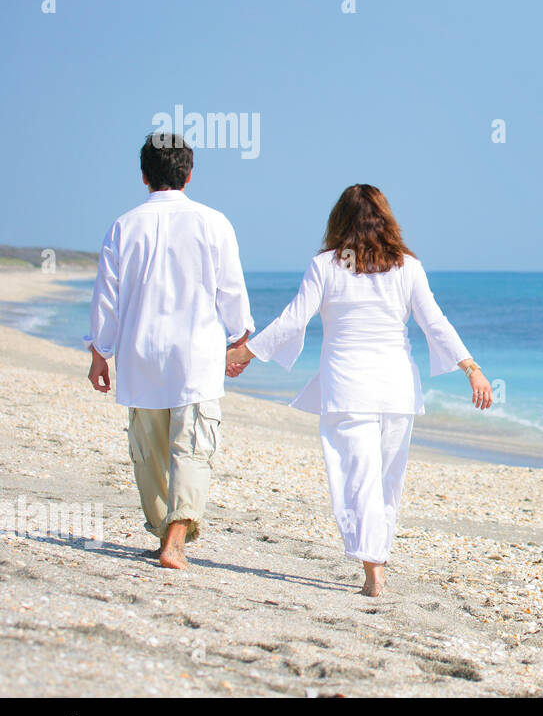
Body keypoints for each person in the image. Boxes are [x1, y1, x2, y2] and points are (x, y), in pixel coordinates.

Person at [225, 184, 490, 597]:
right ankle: (376, 562)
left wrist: (245, 353)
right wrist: (471, 368)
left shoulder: (326, 265)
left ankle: (374, 570)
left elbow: (294, 320)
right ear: (386, 220)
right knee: (386, 481)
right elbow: (434, 323)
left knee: (359, 479)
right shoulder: (407, 266)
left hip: (348, 388)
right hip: (396, 390)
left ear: (339, 220)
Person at [86, 133, 255, 570]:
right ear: (190, 173)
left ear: (143, 175)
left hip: (139, 354)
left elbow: (108, 296)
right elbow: (230, 289)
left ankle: (166, 531)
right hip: (195, 355)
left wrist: (100, 353)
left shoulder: (123, 225)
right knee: (193, 447)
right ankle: (175, 538)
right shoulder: (214, 222)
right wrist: (240, 337)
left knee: (150, 454)